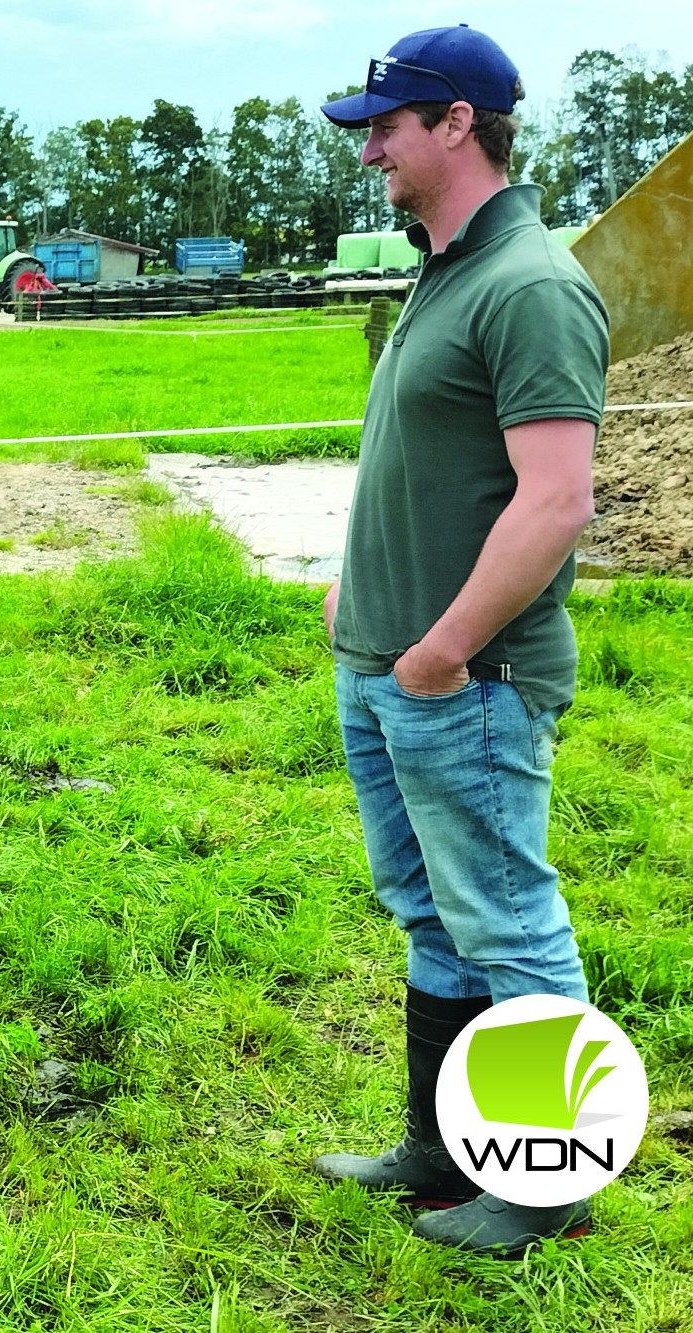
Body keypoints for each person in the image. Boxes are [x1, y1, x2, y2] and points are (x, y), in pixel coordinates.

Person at [311, 27, 608, 1257]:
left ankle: (549, 1183)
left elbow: (556, 499)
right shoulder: (445, 267)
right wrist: (355, 601)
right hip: (385, 665)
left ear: (457, 124)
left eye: (385, 123)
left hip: (462, 679)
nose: (366, 146)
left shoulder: (528, 283)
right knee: (431, 915)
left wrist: (439, 649)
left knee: (504, 919)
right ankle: (441, 1146)